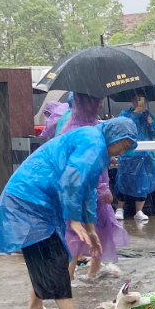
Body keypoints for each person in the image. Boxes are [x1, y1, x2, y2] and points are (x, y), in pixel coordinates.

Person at [0, 117, 139, 309]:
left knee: (43, 257)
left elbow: (87, 190)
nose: (121, 152)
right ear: (115, 135)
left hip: (35, 201)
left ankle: (34, 308)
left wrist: (90, 229)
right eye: (124, 145)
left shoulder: (97, 147)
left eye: (127, 149)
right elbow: (72, 180)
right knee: (54, 257)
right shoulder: (93, 141)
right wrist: (73, 220)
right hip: (28, 200)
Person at [55, 92, 129, 280]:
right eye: (97, 102)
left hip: (93, 187)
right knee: (75, 233)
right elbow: (77, 170)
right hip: (79, 189)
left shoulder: (94, 126)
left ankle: (93, 270)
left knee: (100, 228)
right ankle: (67, 278)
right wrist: (100, 187)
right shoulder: (76, 130)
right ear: (86, 103)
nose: (100, 107)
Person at [114, 93, 155, 221]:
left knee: (143, 181)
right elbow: (122, 126)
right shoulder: (125, 114)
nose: (140, 102)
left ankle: (139, 211)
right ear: (132, 99)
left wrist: (152, 123)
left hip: (146, 155)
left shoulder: (149, 115)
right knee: (124, 180)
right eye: (137, 99)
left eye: (142, 99)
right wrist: (135, 114)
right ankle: (120, 208)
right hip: (129, 154)